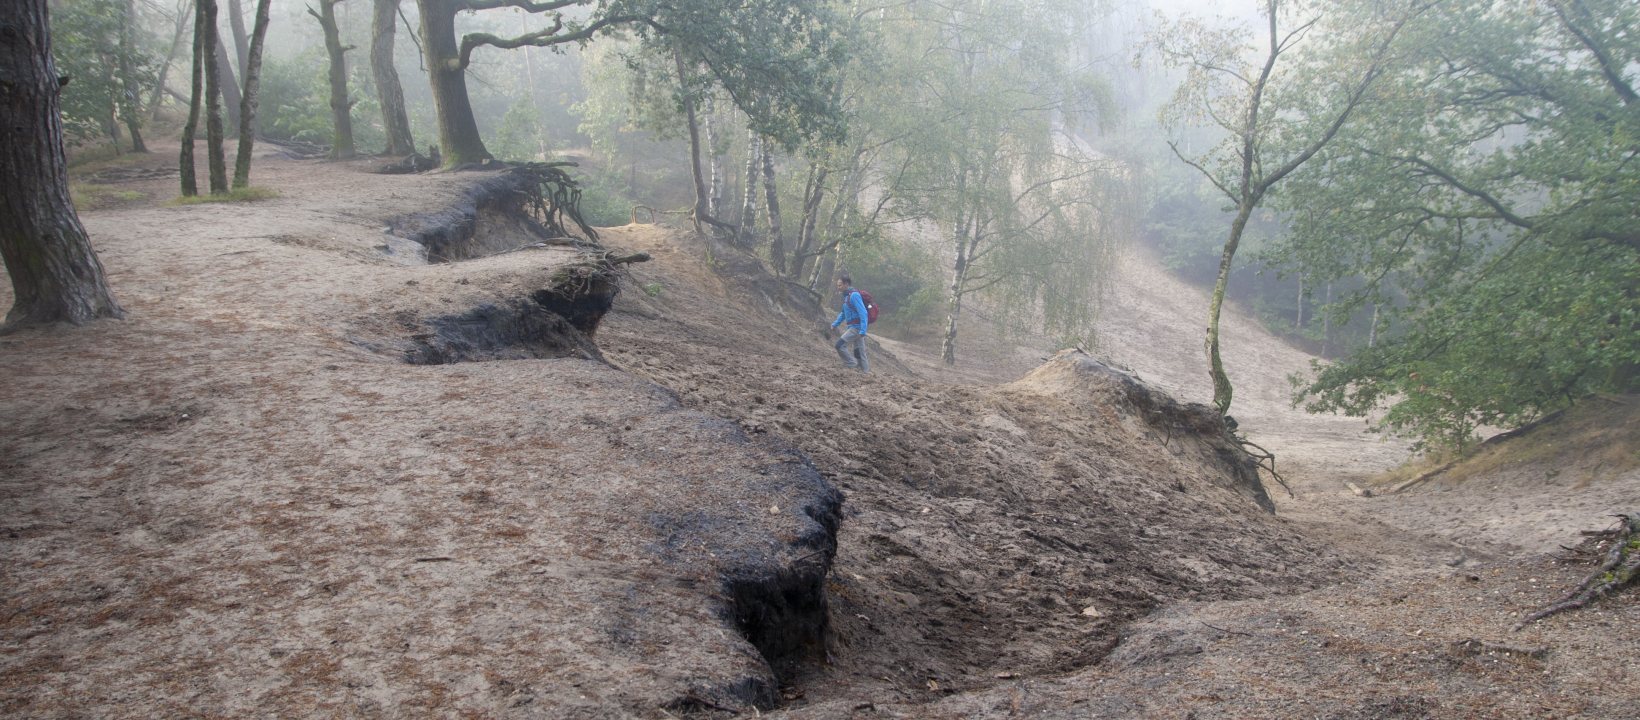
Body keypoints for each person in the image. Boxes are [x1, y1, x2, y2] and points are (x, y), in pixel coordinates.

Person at [830, 274, 869, 372]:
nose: (838, 287)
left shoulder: (854, 295)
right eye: (838, 285)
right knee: (859, 352)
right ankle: (865, 372)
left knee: (839, 345)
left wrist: (863, 329)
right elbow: (843, 313)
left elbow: (863, 312)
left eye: (840, 285)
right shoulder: (847, 297)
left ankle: (852, 364)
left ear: (846, 284)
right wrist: (835, 324)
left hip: (857, 328)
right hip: (854, 327)